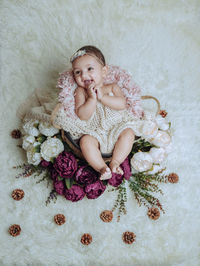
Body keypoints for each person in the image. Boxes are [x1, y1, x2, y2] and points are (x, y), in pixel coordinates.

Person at [51, 45, 142, 180]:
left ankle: (115, 161)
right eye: (77, 72)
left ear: (104, 71)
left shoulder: (111, 87)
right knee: (85, 142)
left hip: (116, 126)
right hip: (94, 131)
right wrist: (92, 100)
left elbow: (122, 104)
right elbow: (82, 114)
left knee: (129, 133)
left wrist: (103, 98)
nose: (84, 75)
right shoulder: (81, 92)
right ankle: (101, 167)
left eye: (89, 69)